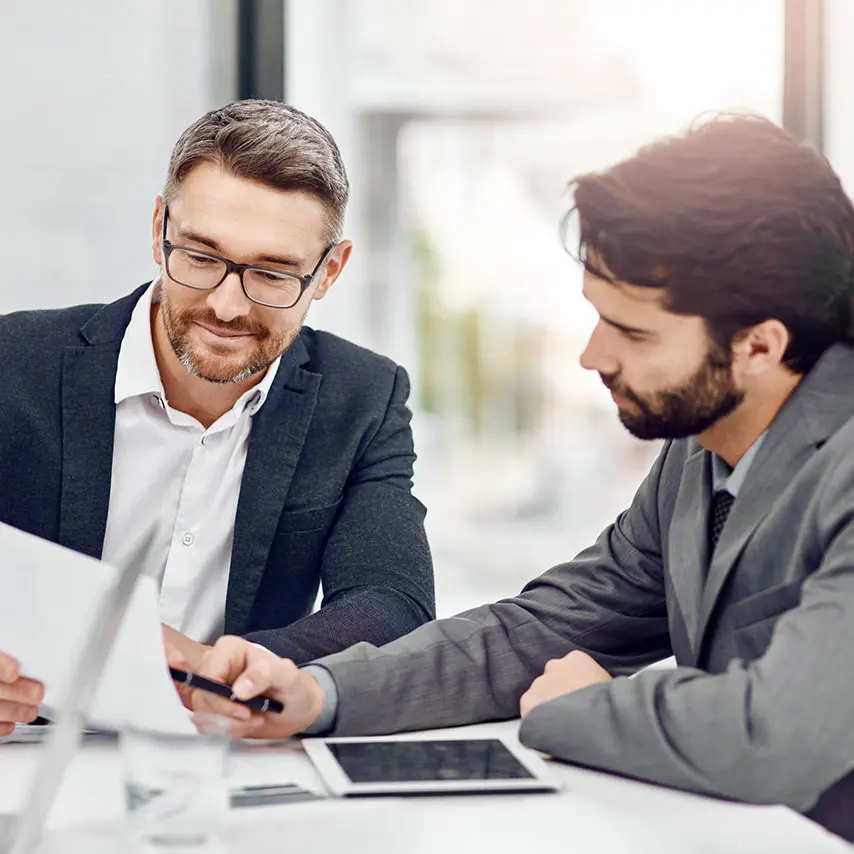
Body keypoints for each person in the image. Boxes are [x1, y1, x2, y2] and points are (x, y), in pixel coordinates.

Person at [188, 115, 854, 842]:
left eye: (632, 333)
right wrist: (318, 693)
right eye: (600, 318)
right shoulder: (697, 448)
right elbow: (543, 627)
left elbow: (773, 740)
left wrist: (576, 708)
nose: (592, 357)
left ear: (760, 345)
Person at [0, 100, 435, 735]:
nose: (227, 306)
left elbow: (391, 602)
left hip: (220, 760)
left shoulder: (362, 397)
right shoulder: (13, 365)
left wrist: (227, 667)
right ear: (159, 228)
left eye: (273, 272)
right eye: (201, 257)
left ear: (329, 271)